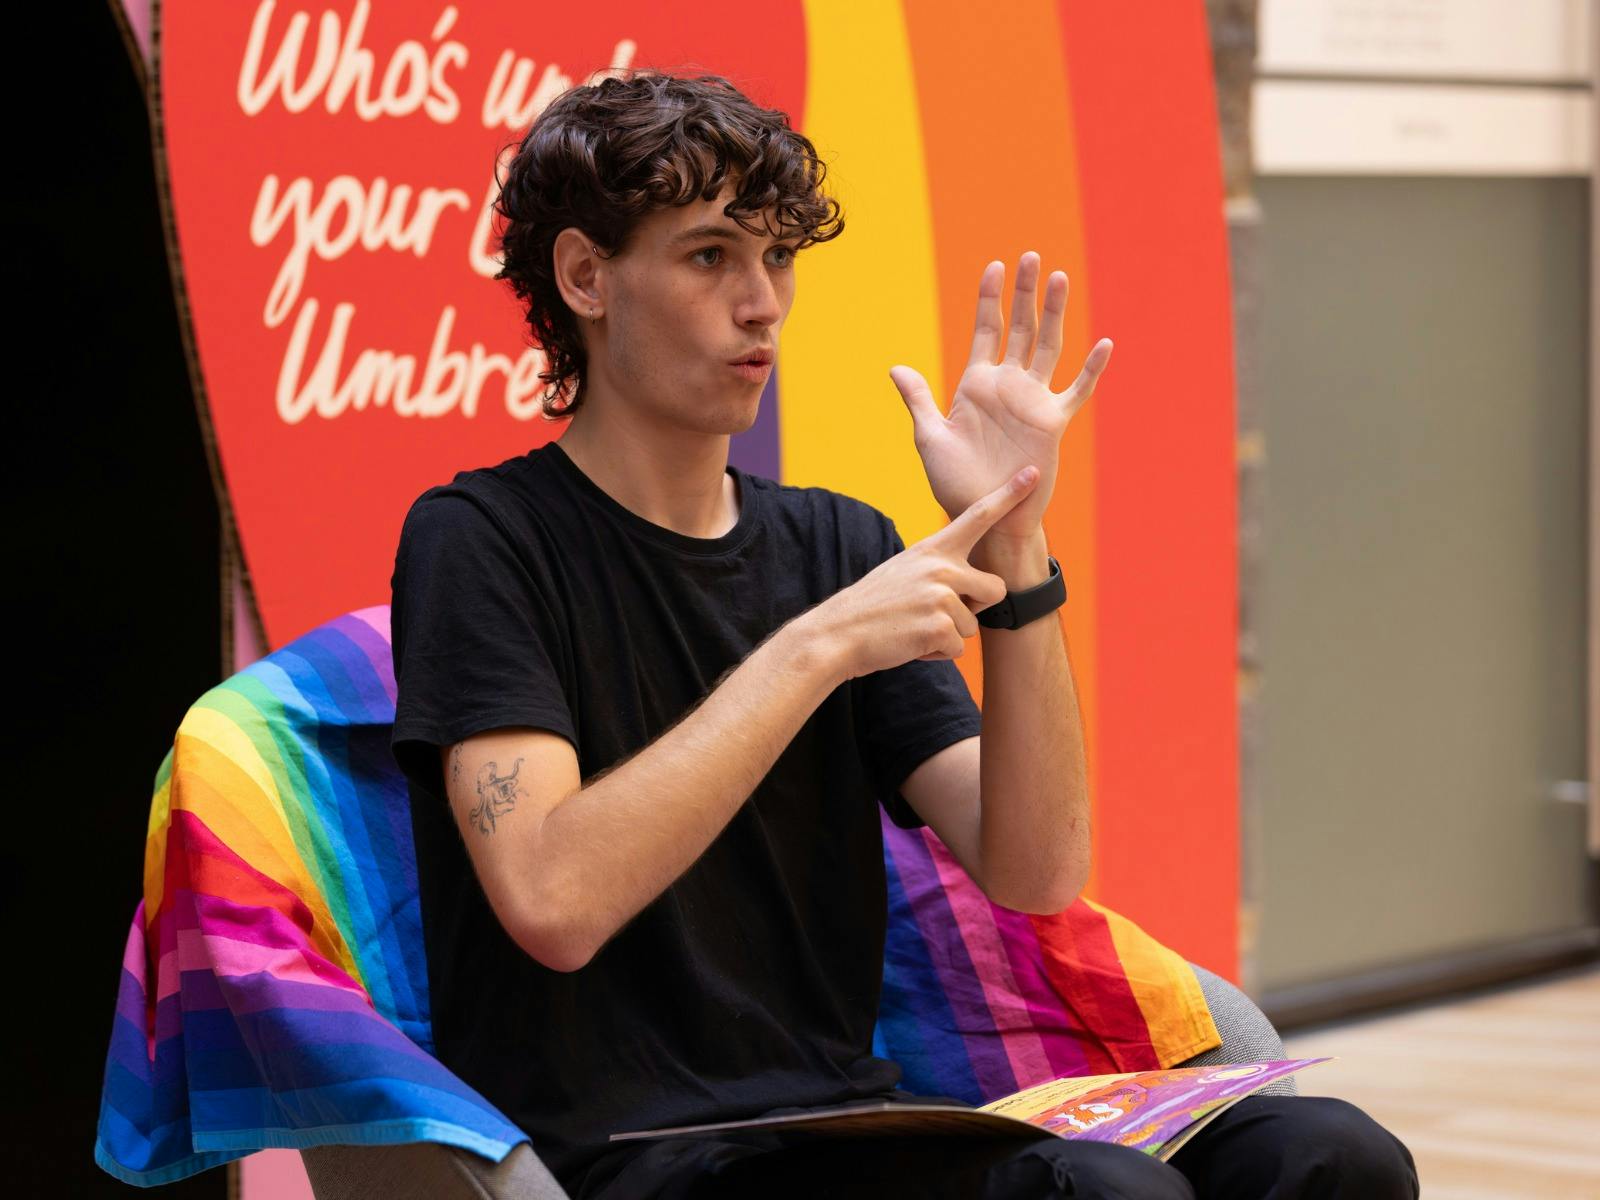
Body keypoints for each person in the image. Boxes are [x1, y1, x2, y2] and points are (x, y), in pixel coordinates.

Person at [388, 69, 1419, 1200]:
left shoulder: (836, 544)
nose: (762, 303)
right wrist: (812, 649)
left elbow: (1034, 869)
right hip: (636, 1159)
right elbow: (552, 903)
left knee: (1334, 1155)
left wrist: (1016, 545)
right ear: (586, 275)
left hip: (845, 1124)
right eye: (708, 255)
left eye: (776, 257)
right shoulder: (478, 538)